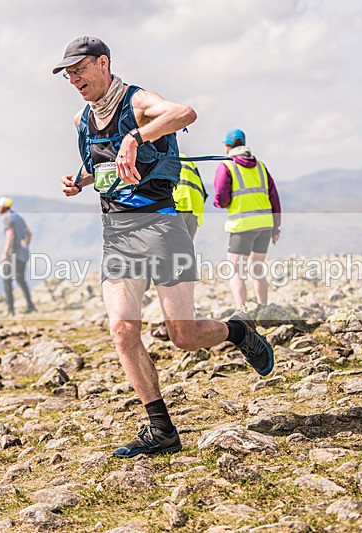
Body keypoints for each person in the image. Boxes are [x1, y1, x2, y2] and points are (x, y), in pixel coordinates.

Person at [55, 36, 274, 458]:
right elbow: (101, 165)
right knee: (122, 331)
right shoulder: (83, 120)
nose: (74, 78)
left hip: (162, 225)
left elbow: (184, 113)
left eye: (79, 69)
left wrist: (135, 136)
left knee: (184, 336)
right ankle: (161, 430)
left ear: (103, 63)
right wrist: (78, 180)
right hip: (117, 233)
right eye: (68, 73)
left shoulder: (137, 100)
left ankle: (238, 330)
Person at [213, 129, 281, 310]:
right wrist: (276, 228)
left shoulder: (226, 167)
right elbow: (274, 199)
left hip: (242, 226)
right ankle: (263, 308)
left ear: (227, 146)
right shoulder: (261, 166)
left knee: (236, 271)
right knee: (257, 269)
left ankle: (241, 310)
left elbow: (221, 197)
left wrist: (219, 203)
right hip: (265, 225)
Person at [150, 153, 207, 340]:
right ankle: (184, 319)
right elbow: (203, 191)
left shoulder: (154, 154)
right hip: (193, 210)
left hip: (173, 208)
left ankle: (174, 324)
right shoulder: (188, 158)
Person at [0, 196, 36, 315]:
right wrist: (25, 245)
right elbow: (29, 233)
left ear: (3, 207)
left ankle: (11, 310)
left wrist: (5, 253)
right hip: (23, 253)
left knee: (7, 280)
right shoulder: (18, 217)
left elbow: (10, 236)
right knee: (20, 279)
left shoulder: (7, 218)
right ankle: (30, 305)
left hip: (14, 253)